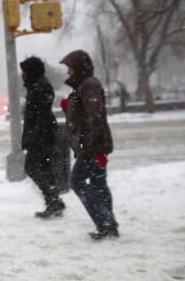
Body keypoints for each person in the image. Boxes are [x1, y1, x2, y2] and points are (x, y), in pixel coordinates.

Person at [60, 50, 118, 240]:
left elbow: (95, 117)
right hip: (94, 146)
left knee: (76, 181)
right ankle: (109, 224)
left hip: (92, 147)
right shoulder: (85, 86)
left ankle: (105, 222)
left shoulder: (89, 86)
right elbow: (87, 113)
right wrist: (69, 107)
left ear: (78, 68)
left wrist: (90, 146)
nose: (68, 72)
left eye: (70, 68)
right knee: (99, 184)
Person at [20, 56, 65, 219]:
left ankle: (53, 199)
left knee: (31, 167)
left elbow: (40, 116)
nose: (22, 75)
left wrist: (32, 137)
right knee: (44, 168)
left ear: (31, 71)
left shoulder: (39, 87)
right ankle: (55, 200)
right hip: (41, 135)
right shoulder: (37, 85)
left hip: (40, 137)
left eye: (24, 72)